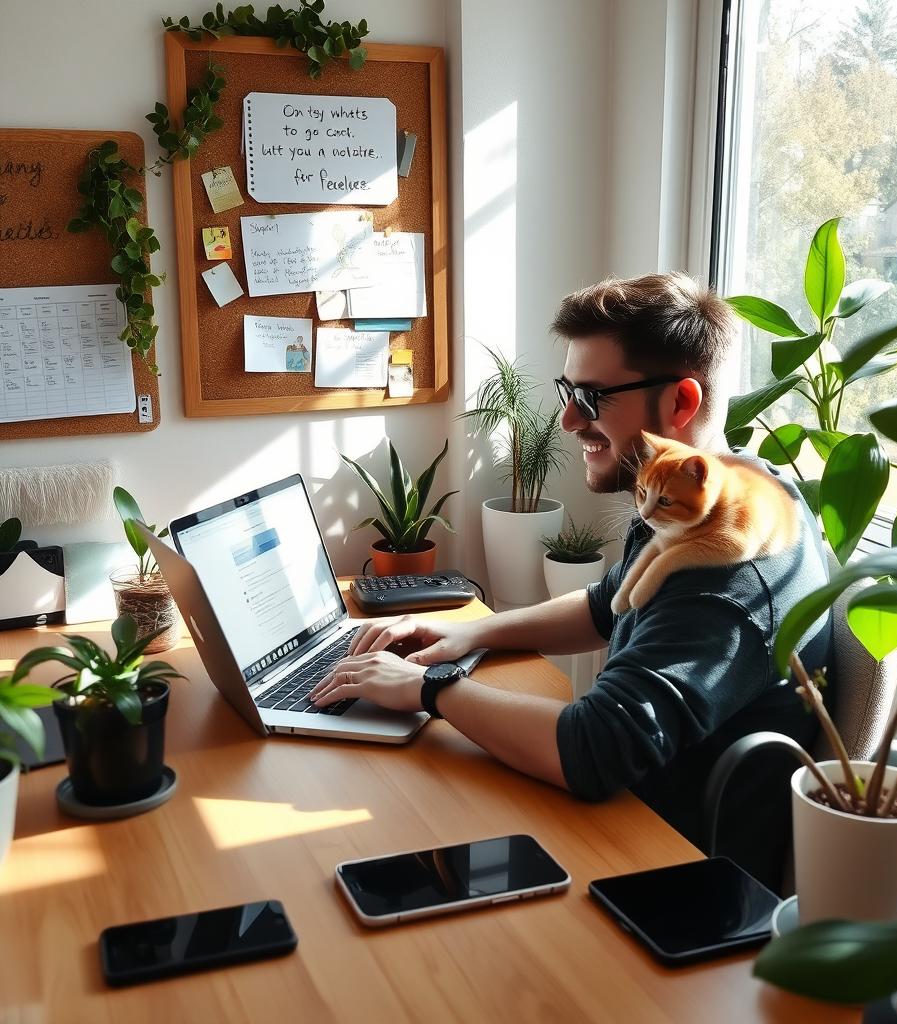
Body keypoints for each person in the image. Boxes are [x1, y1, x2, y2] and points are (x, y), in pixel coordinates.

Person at [312, 272, 833, 891]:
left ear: (680, 404)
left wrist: (431, 688)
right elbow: (608, 606)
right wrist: (466, 635)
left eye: (590, 397)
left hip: (669, 878)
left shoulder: (730, 569)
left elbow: (595, 748)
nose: (566, 420)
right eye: (568, 390)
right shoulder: (708, 490)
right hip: (615, 823)